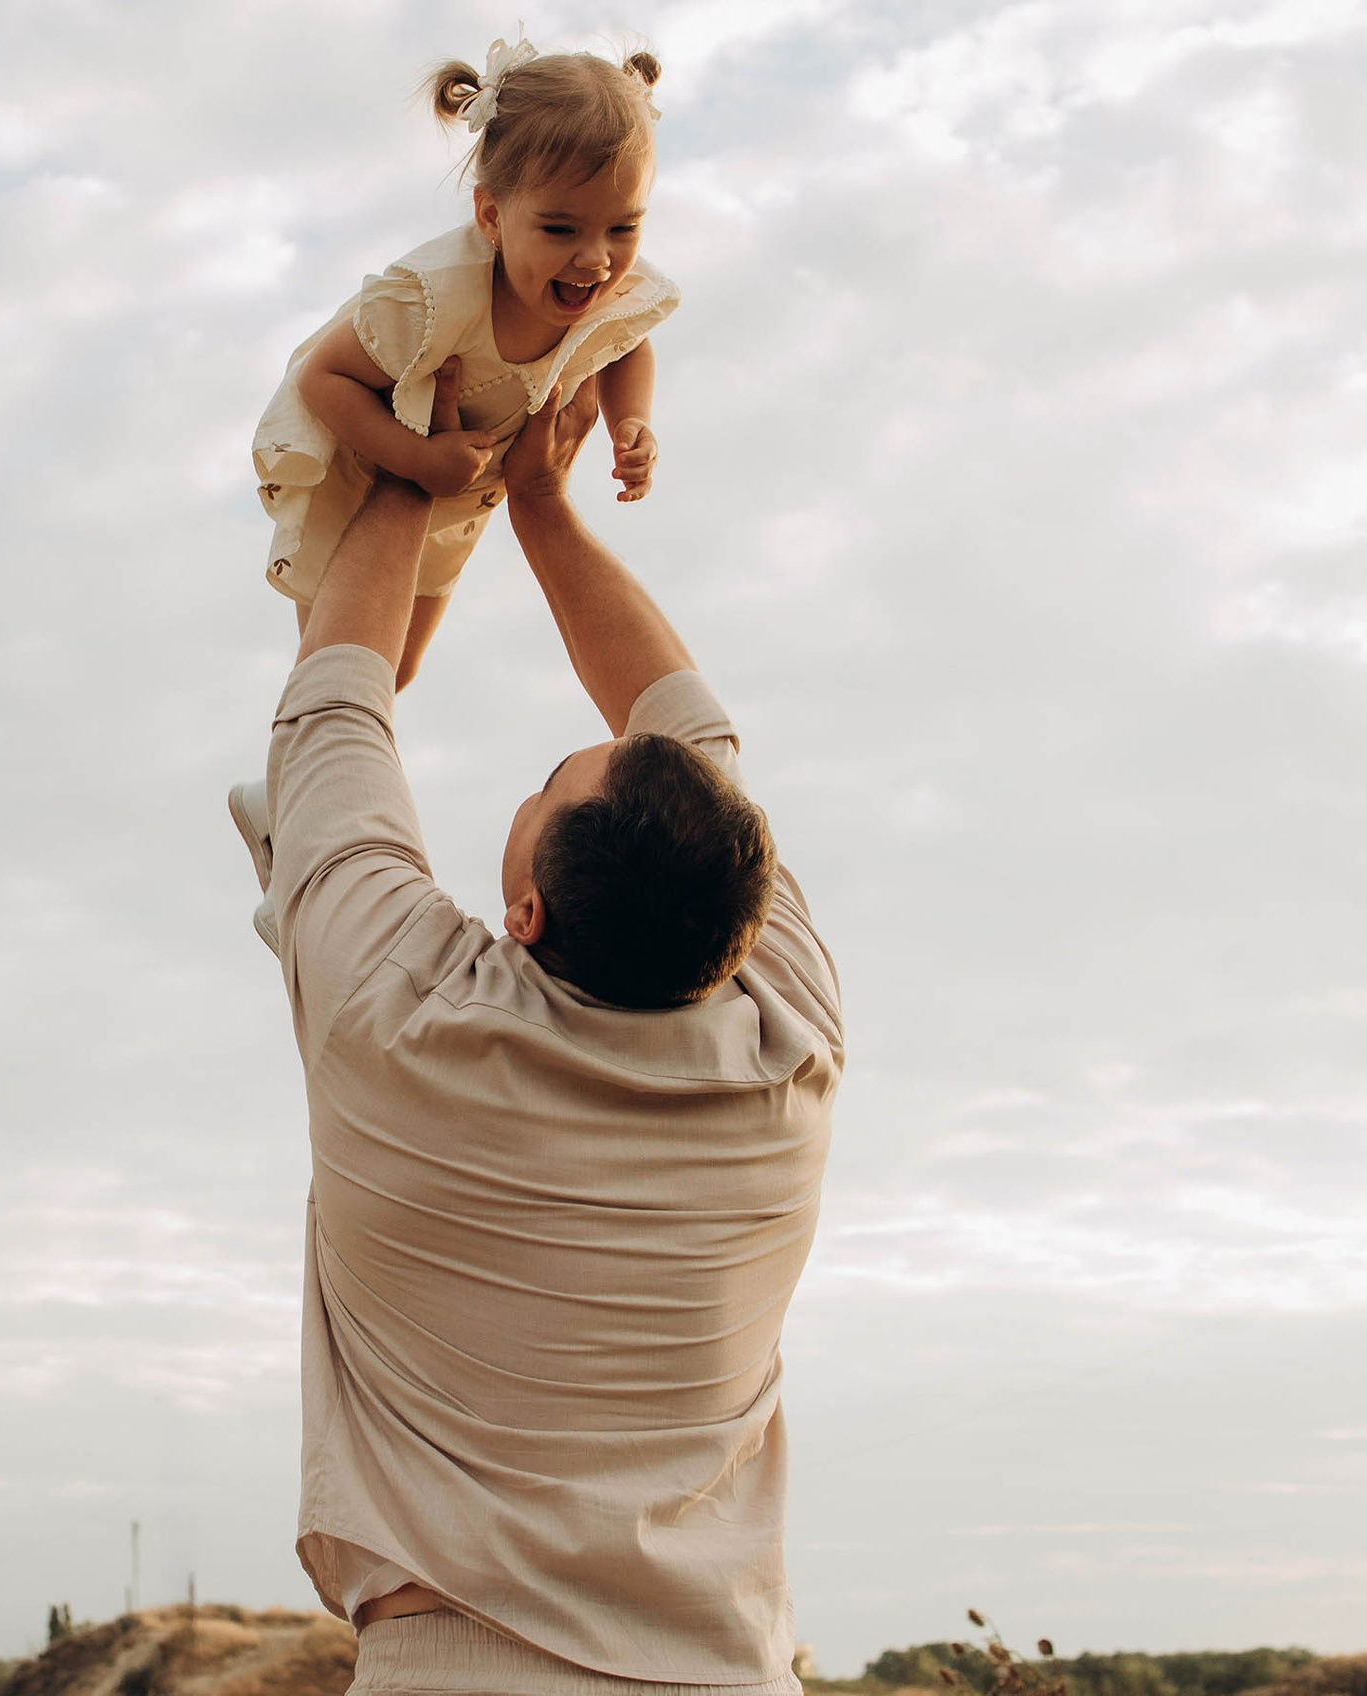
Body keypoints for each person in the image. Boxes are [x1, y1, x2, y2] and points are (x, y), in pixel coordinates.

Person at [226, 369, 844, 1696]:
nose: (568, 757)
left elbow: (337, 700)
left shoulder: (400, 1016)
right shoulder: (788, 1050)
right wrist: (549, 513)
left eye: (550, 779)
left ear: (523, 909)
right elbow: (689, 735)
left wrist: (415, 473)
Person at [252, 37, 678, 691]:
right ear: (491, 216)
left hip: (464, 491)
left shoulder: (605, 289)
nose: (597, 260)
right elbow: (323, 379)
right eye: (561, 230)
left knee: (401, 670)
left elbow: (627, 342)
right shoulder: (431, 298)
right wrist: (413, 458)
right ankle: (287, 780)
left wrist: (633, 422)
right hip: (367, 474)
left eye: (622, 228)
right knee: (341, 665)